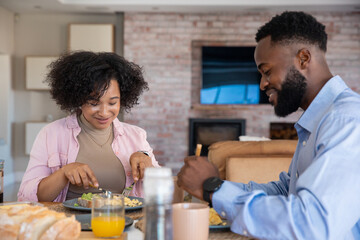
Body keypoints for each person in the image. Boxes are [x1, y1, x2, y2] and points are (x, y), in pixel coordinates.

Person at [177, 11, 360, 240]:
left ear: (303, 58)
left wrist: (213, 188)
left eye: (267, 71)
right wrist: (219, 186)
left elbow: (312, 223)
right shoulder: (321, 120)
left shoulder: (345, 121)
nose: (263, 84)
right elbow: (286, 191)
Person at [18, 51, 160, 202]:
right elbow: (27, 197)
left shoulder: (136, 136)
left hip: (122, 223)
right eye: (94, 103)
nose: (104, 112)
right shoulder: (51, 134)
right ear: (79, 99)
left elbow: (161, 190)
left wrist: (148, 166)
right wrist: (63, 173)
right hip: (69, 223)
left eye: (112, 103)